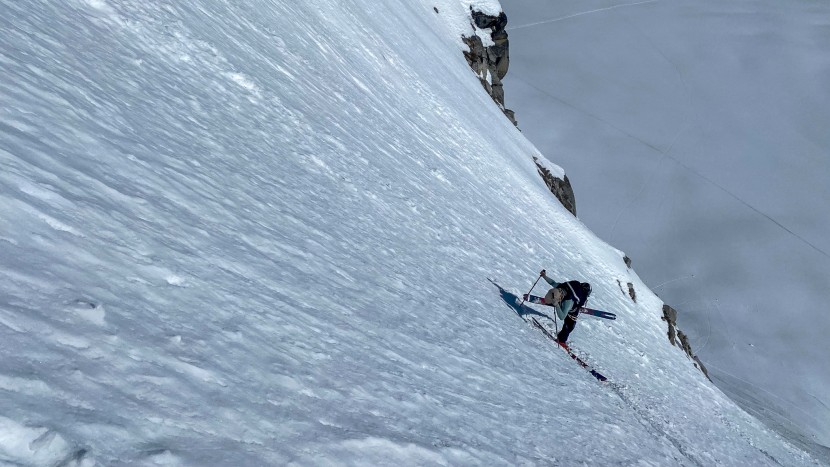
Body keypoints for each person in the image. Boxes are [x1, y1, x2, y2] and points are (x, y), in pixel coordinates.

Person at [534, 269, 592, 346]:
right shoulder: (573, 299)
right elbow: (561, 317)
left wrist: (544, 276)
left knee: (569, 320)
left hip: (559, 295)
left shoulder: (569, 285)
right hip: (569, 308)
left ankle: (561, 337)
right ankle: (561, 340)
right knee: (570, 325)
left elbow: (553, 283)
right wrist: (556, 304)